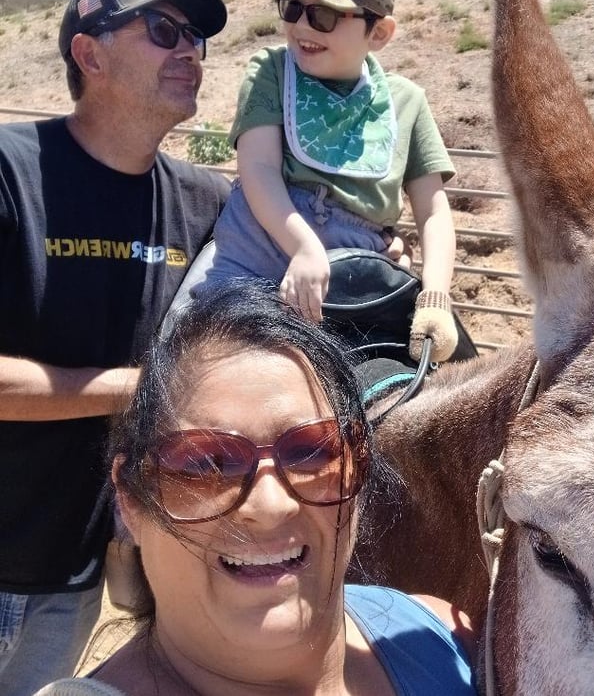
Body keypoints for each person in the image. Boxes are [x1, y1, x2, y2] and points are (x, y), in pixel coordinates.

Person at [34, 281, 477, 695]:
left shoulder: (451, 643)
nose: (270, 505)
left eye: (312, 451)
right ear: (131, 500)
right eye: (206, 463)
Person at [0, 0, 229, 694]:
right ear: (89, 55)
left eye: (195, 37)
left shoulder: (206, 203)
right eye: (162, 31)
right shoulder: (10, 173)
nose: (188, 50)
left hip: (73, 577)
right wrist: (145, 388)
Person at [202, 0, 459, 362]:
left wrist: (435, 297)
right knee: (198, 357)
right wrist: (304, 246)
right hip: (254, 254)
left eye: (324, 14)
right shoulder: (271, 71)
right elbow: (259, 168)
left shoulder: (406, 102)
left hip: (353, 280)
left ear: (379, 33)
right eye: (293, 8)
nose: (302, 25)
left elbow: (433, 211)